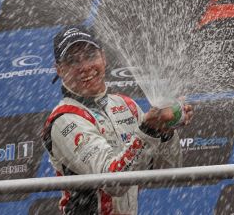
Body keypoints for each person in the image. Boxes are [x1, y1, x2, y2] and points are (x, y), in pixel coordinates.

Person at [42, 26, 193, 215]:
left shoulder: (126, 105)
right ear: (60, 70)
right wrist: (148, 129)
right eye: (73, 61)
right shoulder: (64, 120)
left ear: (103, 58)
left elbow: (168, 169)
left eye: (90, 56)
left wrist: (165, 131)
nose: (85, 67)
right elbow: (112, 182)